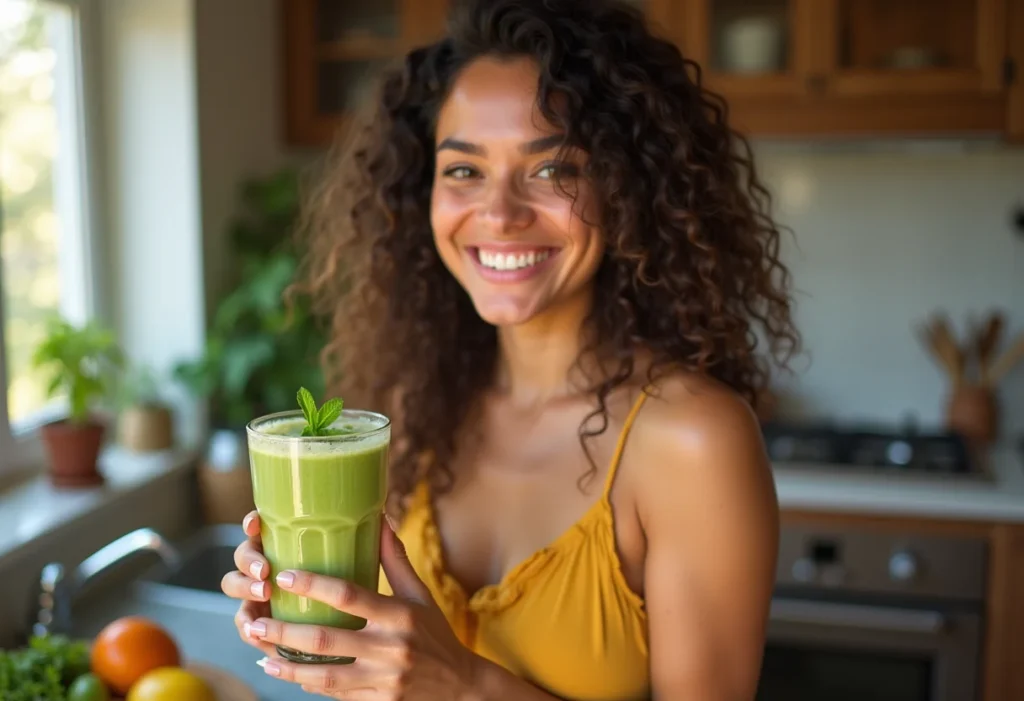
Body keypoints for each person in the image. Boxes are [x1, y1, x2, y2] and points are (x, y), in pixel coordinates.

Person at [221, 0, 800, 698]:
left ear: (625, 187)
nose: (499, 213)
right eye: (464, 170)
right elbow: (383, 668)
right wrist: (306, 610)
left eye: (552, 169)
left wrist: (464, 684)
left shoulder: (692, 440)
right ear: (421, 190)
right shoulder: (410, 407)